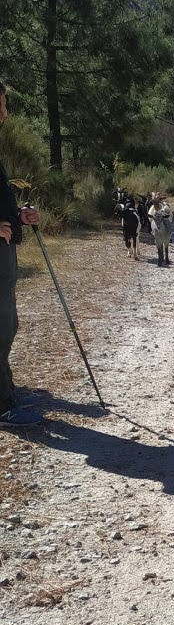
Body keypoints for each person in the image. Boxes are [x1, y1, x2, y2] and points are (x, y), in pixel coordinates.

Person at [0, 80, 42, 426]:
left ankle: (7, 391)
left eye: (4, 106)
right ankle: (2, 406)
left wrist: (19, 216)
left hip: (5, 251)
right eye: (0, 106)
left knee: (8, 324)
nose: (4, 114)